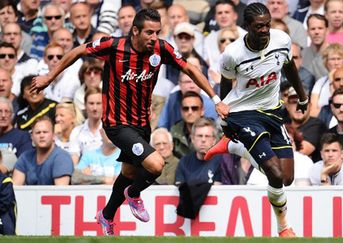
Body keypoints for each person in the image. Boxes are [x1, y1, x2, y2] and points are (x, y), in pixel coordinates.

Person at [30, 8, 223, 236]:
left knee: (130, 172)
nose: (154, 38)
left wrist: (215, 98)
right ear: (135, 30)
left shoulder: (161, 48)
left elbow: (190, 68)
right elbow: (80, 50)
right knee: (156, 165)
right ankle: (134, 194)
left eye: (157, 32)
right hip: (116, 123)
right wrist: (49, 77)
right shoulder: (114, 46)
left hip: (141, 124)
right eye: (149, 33)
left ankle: (107, 215)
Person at [204, 3, 308, 238]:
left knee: (286, 178)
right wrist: (226, 122)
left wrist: (302, 97)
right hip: (243, 114)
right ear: (246, 26)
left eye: (267, 25)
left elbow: (290, 67)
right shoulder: (233, 54)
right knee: (274, 173)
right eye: (258, 26)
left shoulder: (281, 40)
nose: (264, 30)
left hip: (272, 111)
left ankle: (233, 147)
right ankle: (284, 228)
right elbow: (226, 86)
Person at [12, 116, 74, 185]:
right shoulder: (25, 157)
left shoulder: (62, 158)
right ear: (32, 137)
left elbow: (61, 193)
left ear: (53, 136)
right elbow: (15, 190)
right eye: (38, 132)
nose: (41, 135)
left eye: (45, 132)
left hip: (52, 195)